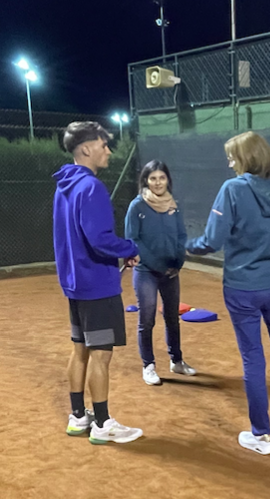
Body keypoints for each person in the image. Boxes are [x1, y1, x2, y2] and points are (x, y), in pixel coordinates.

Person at [186, 131, 270, 455]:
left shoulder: (232, 190)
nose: (230, 164)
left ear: (246, 158)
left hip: (241, 288)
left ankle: (261, 436)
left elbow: (211, 241)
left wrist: (182, 246)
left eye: (232, 157)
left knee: (253, 360)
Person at [53, 121, 143, 444]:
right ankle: (103, 424)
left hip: (75, 284)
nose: (108, 151)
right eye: (104, 145)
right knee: (101, 355)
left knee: (80, 350)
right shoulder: (91, 187)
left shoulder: (64, 186)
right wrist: (130, 249)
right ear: (86, 149)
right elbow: (100, 239)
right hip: (97, 286)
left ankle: (79, 417)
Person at [125, 160, 196, 385]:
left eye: (161, 178)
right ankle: (148, 365)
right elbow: (133, 239)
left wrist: (178, 261)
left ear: (167, 180)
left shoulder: (174, 206)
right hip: (146, 272)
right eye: (153, 178)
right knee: (146, 320)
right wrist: (157, 264)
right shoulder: (137, 206)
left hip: (171, 272)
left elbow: (181, 235)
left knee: (172, 318)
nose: (157, 183)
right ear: (146, 180)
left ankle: (177, 361)